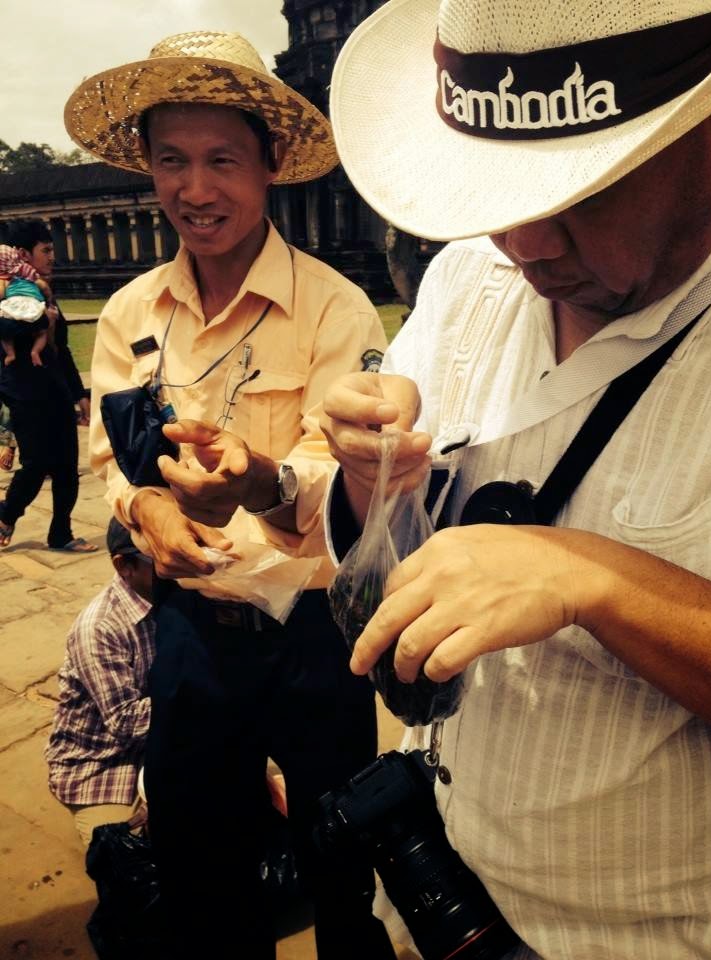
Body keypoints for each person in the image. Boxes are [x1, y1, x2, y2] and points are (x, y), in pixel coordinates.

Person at [319, 1, 711, 958]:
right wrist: (375, 476)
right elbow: (399, 547)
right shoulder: (469, 280)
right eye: (497, 188)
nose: (527, 244)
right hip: (436, 892)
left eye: (589, 187)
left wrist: (596, 579)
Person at [63, 31, 395, 960]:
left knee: (344, 864)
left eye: (222, 160)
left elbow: (343, 481)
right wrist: (152, 513)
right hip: (193, 627)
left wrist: (257, 479)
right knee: (200, 868)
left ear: (270, 164)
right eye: (172, 160)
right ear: (148, 166)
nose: (195, 189)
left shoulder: (334, 308)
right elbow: (113, 461)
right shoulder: (131, 312)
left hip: (316, 634)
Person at [46, 518, 155, 846]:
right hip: (99, 763)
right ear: (124, 566)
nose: (175, 566)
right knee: (127, 854)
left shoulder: (172, 596)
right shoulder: (100, 628)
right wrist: (201, 695)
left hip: (157, 742)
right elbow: (125, 721)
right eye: (159, 559)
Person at [0, 220, 95, 551]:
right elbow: (7, 327)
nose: (52, 257)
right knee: (37, 463)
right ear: (24, 254)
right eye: (46, 250)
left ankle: (61, 534)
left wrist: (79, 394)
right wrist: (42, 315)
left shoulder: (44, 292)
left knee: (67, 465)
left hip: (55, 389)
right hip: (23, 391)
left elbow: (62, 350)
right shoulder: (7, 289)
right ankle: (6, 514)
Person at [0, 244, 51, 367]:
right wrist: (49, 301)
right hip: (35, 311)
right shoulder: (30, 274)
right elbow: (44, 287)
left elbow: (1, 293)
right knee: (42, 332)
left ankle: (10, 354)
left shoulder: (5, 280)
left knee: (5, 334)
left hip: (12, 312)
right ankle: (35, 351)